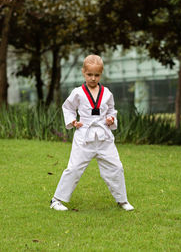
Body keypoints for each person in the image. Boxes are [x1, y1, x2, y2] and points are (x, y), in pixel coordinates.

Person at [50, 55, 134, 211]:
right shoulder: (78, 92)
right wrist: (73, 121)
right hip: (84, 135)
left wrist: (111, 119)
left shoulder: (107, 92)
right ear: (83, 72)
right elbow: (67, 107)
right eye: (89, 74)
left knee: (116, 167)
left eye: (96, 75)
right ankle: (56, 200)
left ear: (101, 74)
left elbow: (111, 110)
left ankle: (122, 200)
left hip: (104, 136)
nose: (93, 78)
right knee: (74, 168)